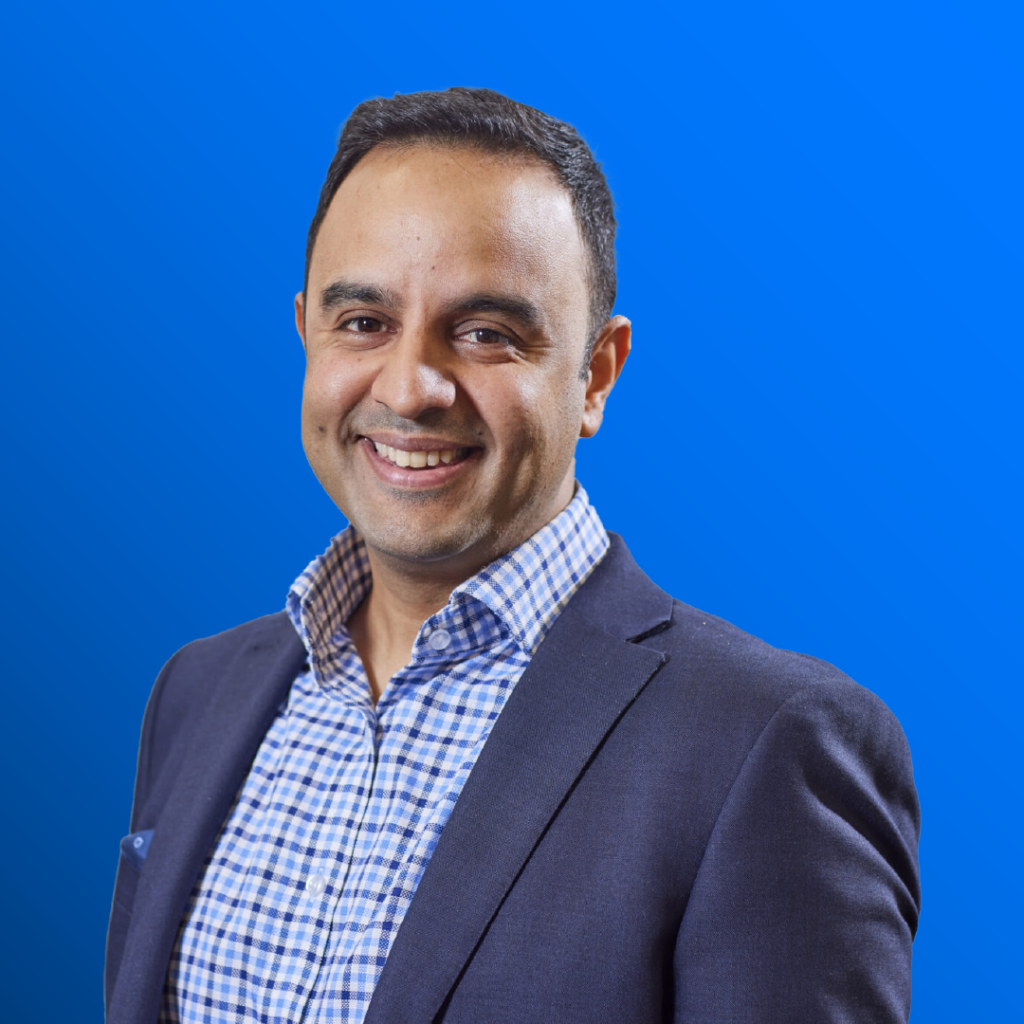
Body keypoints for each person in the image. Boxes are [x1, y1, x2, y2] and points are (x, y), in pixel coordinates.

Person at [105, 87, 921, 1024]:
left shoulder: (769, 744)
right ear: (306, 334)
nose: (410, 389)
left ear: (595, 376)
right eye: (363, 322)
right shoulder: (196, 693)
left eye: (486, 333)